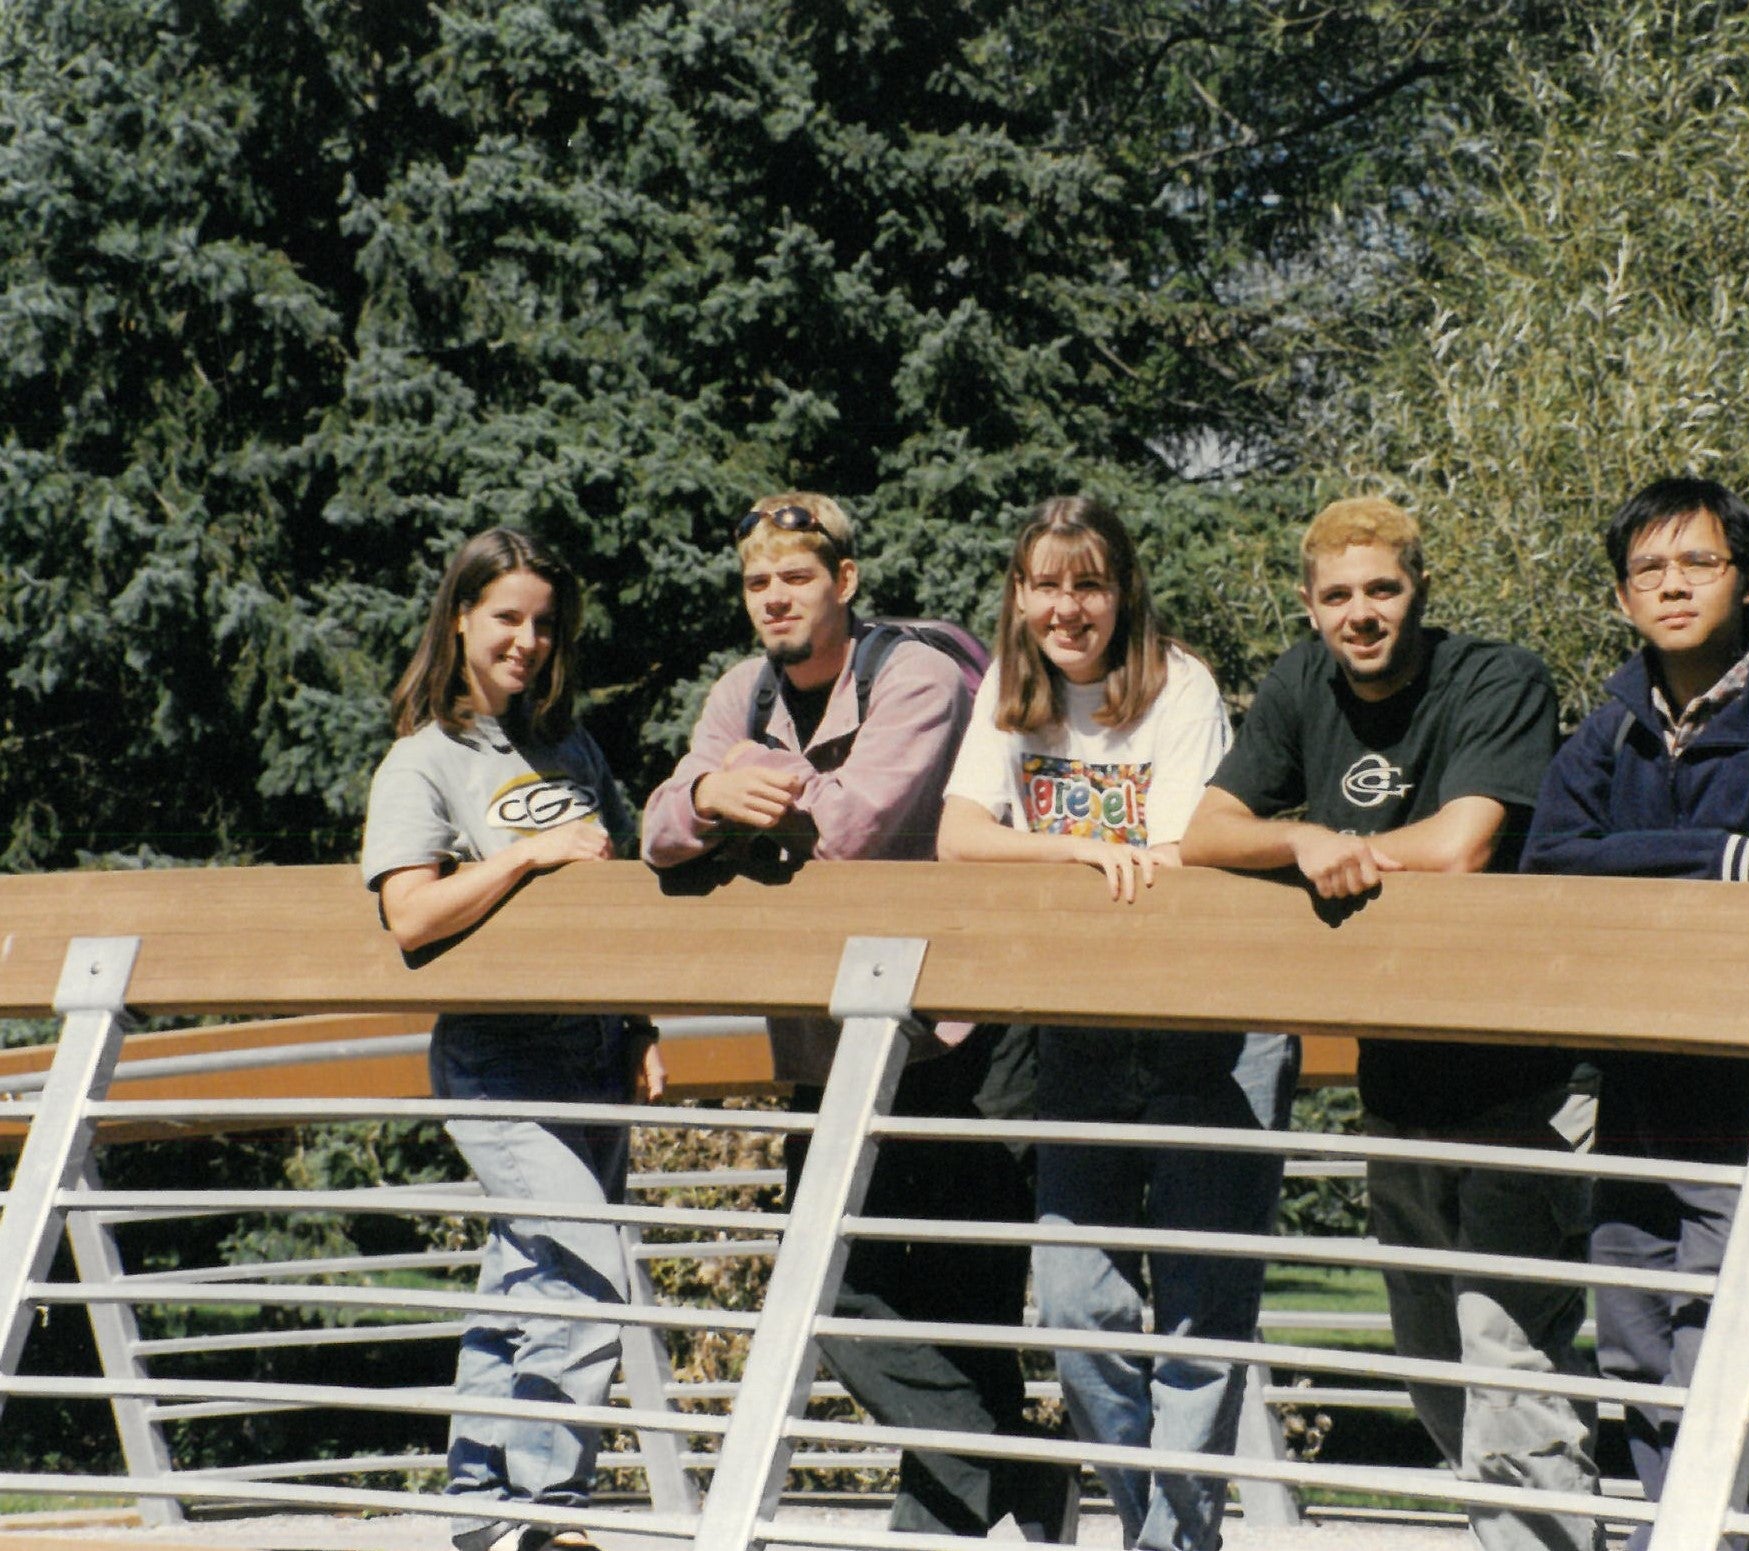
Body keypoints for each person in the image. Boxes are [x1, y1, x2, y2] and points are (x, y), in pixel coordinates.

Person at [641, 492, 1070, 1541]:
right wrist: (703, 799)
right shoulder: (741, 692)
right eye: (756, 582)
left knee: (968, 1306)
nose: (774, 597)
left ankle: (955, 1519)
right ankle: (1023, 1478)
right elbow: (654, 830)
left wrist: (730, 786)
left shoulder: (914, 674)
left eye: (796, 576)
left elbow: (851, 831)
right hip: (830, 1040)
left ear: (844, 582)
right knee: (838, 1296)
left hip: (969, 1032)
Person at [1181, 496, 1597, 1551]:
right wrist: (1306, 840)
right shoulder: (1297, 681)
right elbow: (1205, 833)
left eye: (1381, 590)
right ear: (1309, 606)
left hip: (1530, 1075)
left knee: (1508, 1357)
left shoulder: (1495, 678)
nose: (1359, 615)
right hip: (1401, 1080)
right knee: (1433, 1369)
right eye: (1336, 597)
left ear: (1420, 590)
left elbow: (1462, 842)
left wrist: (1327, 853)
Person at [1520, 476, 1749, 1547]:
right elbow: (1549, 866)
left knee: (1729, 1364)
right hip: (1634, 1093)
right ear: (1621, 595)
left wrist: (1636, 870)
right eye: (1648, 568)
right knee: (1636, 1355)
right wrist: (1728, 858)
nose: (1671, 584)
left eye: (1697, 562)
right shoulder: (1603, 735)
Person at [938, 495, 1296, 1551]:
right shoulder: (1013, 691)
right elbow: (960, 837)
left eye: (1087, 583)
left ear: (1122, 591)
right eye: (1045, 584)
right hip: (1082, 1025)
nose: (1066, 607)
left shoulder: (1175, 685)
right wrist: (1076, 849)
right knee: (1077, 1305)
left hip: (1209, 1025)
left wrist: (1092, 849)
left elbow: (1191, 848)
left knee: (1198, 1308)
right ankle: (1158, 1525)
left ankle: (1174, 1542)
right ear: (1019, 596)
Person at [359, 527, 665, 1551]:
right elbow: (412, 918)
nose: (527, 641)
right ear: (459, 619)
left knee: (525, 1276)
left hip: (592, 1050)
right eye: (507, 619)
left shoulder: (570, 748)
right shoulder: (423, 760)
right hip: (497, 1056)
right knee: (585, 1269)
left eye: (543, 623)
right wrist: (527, 856)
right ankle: (549, 1515)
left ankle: (480, 1509)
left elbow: (626, 894)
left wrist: (640, 1022)